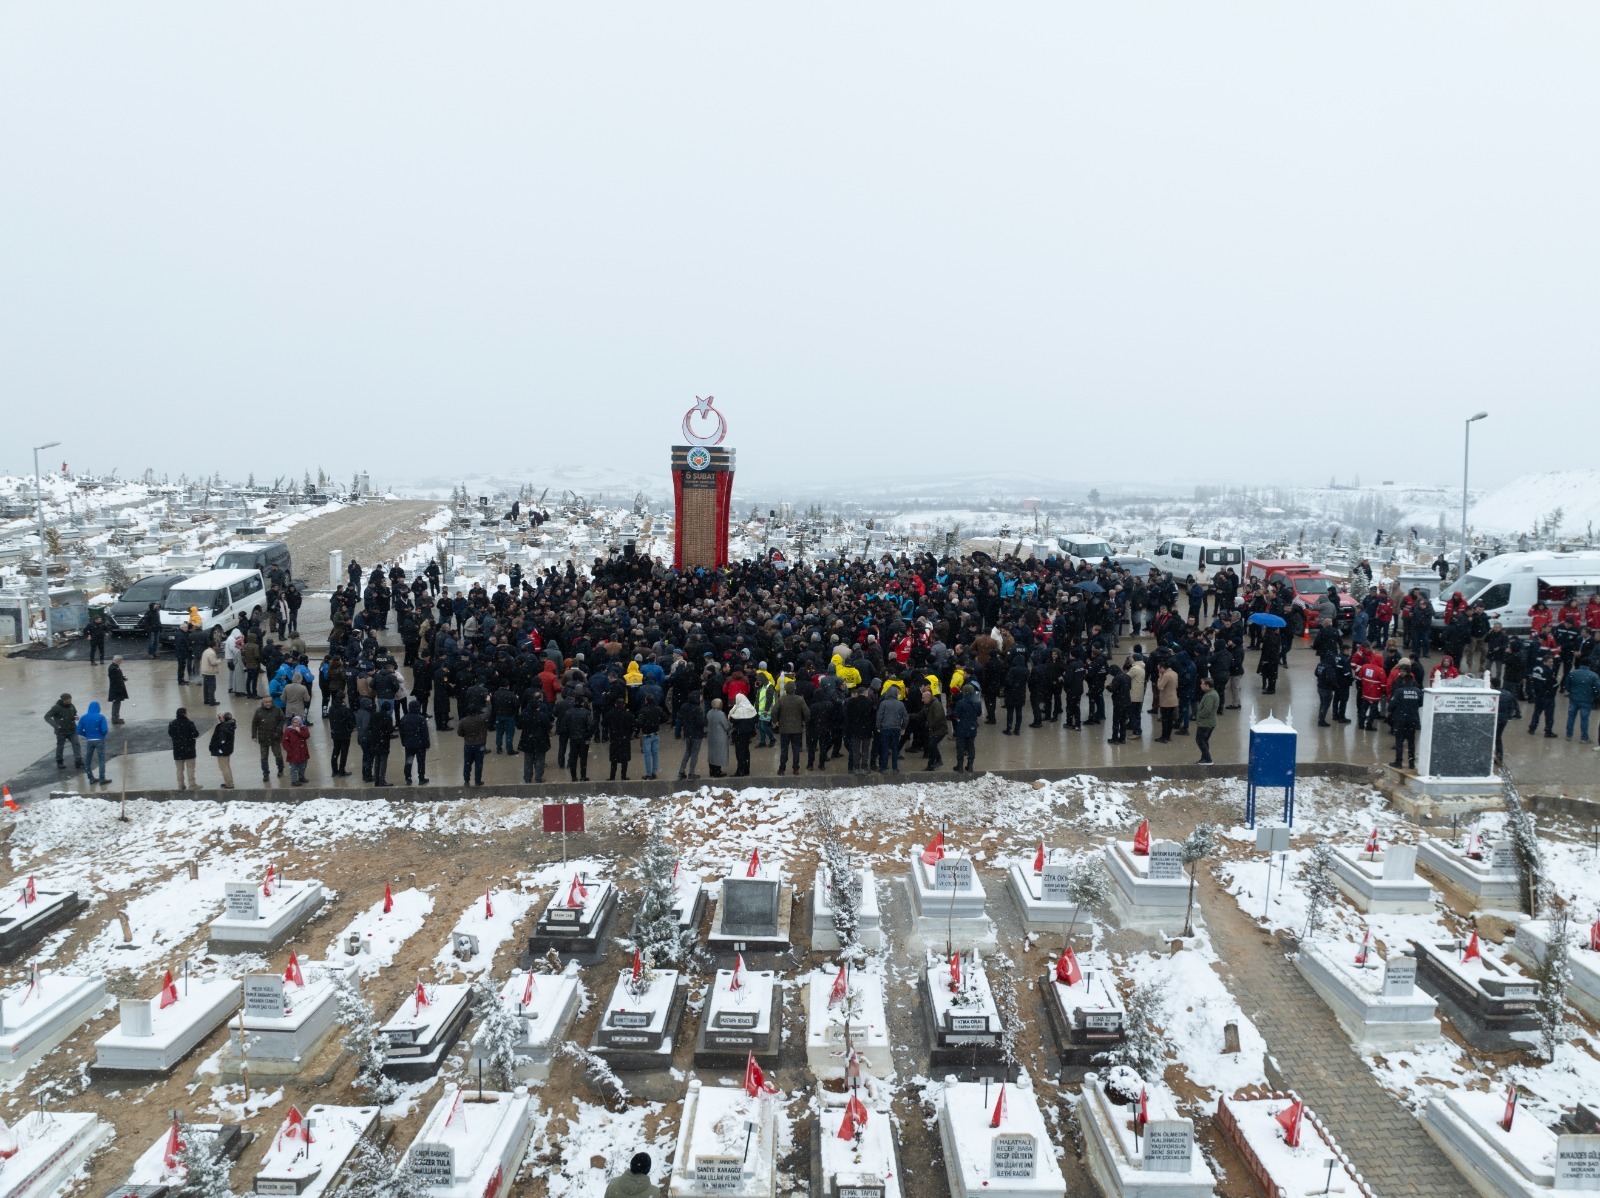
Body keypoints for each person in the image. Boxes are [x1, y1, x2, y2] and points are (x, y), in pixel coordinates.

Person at [1389, 669, 1423, 770]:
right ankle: (1411, 763)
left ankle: (1398, 762)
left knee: (1399, 741)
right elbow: (1421, 703)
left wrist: (1392, 711)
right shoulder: (1417, 691)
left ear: (1404, 681)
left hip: (1400, 719)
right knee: (1411, 742)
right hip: (1412, 719)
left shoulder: (1399, 691)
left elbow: (1391, 705)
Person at [772, 682, 807, 776]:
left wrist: (776, 721)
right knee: (796, 749)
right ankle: (795, 769)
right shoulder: (800, 699)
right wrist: (804, 721)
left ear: (786, 690)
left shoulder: (781, 699)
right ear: (794, 689)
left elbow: (774, 711)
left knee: (784, 749)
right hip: (797, 729)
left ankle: (782, 769)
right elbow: (807, 712)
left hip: (784, 729)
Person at [518, 693, 553, 783]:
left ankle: (527, 777)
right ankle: (538, 777)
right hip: (540, 740)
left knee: (528, 760)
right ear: (537, 707)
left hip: (527, 740)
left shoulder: (524, 715)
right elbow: (548, 727)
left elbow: (519, 726)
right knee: (540, 760)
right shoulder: (542, 716)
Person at [251, 695, 286, 782]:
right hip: (263, 738)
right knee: (264, 757)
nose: (268, 704)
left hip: (275, 737)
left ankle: (280, 768)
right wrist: (254, 735)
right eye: (266, 702)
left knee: (278, 755)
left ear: (272, 702)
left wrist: (278, 730)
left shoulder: (277, 710)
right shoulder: (258, 711)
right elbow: (254, 723)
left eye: (269, 702)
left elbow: (282, 720)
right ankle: (265, 774)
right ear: (263, 702)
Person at [45, 693, 82, 771]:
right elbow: (47, 716)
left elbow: (75, 713)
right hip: (61, 731)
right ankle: (59, 762)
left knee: (76, 744)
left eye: (70, 699)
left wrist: (75, 717)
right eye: (68, 699)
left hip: (72, 729)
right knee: (60, 746)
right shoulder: (56, 707)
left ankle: (78, 761)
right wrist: (55, 725)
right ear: (63, 700)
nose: (70, 701)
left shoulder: (72, 706)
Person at [560, 697, 594, 782]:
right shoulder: (586, 713)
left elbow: (564, 725)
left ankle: (574, 776)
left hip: (573, 738)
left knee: (573, 757)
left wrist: (569, 734)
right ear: (582, 703)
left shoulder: (569, 712)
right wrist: (588, 735)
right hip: (584, 738)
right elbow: (591, 725)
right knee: (583, 758)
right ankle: (583, 776)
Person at [76, 700, 109, 784]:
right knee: (101, 759)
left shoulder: (84, 717)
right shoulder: (101, 717)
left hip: (89, 741)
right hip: (99, 740)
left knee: (88, 760)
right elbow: (105, 730)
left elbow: (78, 730)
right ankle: (102, 779)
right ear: (98, 708)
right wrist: (101, 736)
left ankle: (91, 778)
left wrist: (87, 735)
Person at [875, 685, 906, 772]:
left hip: (885, 728)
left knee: (885, 748)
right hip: (896, 728)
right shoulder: (900, 704)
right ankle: (895, 768)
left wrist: (878, 726)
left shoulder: (883, 703)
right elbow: (906, 717)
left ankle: (884, 768)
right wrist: (903, 727)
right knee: (895, 749)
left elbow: (879, 716)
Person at [1565, 659, 1598, 742]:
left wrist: (1571, 692)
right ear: (1589, 665)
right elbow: (1597, 689)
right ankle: (1584, 737)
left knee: (1571, 717)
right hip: (1586, 700)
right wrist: (1594, 697)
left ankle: (1569, 735)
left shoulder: (1572, 673)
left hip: (1573, 699)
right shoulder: (1594, 675)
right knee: (1584, 719)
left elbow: (1567, 685)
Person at [169, 707, 201, 790]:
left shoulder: (172, 723)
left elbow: (171, 734)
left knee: (179, 769)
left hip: (177, 750)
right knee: (190, 768)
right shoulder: (189, 723)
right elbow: (195, 734)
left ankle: (181, 785)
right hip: (189, 749)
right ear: (184, 714)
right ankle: (192, 785)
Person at [952, 683, 982, 772]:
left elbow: (956, 714)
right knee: (971, 746)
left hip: (961, 728)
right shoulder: (977, 702)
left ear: (964, 692)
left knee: (960, 747)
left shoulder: (961, 702)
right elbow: (979, 713)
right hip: (972, 727)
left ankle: (960, 765)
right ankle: (970, 765)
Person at [399, 699, 431, 783]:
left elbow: (401, 733)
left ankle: (408, 778)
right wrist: (427, 744)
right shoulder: (421, 719)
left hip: (409, 745)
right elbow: (425, 733)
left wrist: (403, 742)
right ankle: (421, 778)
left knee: (409, 761)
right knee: (421, 762)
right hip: (420, 745)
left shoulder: (404, 719)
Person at [604, 701, 635, 782]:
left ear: (615, 704)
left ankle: (612, 776)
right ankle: (623, 776)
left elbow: (603, 723)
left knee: (614, 758)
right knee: (624, 759)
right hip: (625, 740)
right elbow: (633, 726)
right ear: (624, 705)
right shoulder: (628, 715)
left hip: (614, 739)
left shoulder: (610, 714)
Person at [676, 696, 706, 781]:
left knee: (687, 752)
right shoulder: (697, 709)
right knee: (694, 754)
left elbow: (680, 719)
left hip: (687, 734)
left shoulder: (684, 706)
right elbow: (700, 722)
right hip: (696, 735)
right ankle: (691, 773)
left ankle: (681, 772)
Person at [635, 693, 663, 780]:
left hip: (647, 735)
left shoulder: (643, 711)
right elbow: (665, 717)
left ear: (646, 701)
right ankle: (654, 773)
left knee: (647, 755)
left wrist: (641, 726)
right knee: (655, 754)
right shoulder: (658, 709)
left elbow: (639, 723)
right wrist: (657, 722)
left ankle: (648, 774)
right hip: (656, 733)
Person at [728, 693, 757, 776]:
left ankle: (740, 770)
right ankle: (746, 769)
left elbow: (732, 719)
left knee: (739, 752)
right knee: (746, 751)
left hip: (739, 734)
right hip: (748, 734)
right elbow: (755, 718)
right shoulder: (751, 708)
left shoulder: (738, 709)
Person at [922, 684, 948, 770]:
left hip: (940, 729)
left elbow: (938, 717)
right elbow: (919, 715)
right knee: (932, 745)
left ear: (928, 698)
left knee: (932, 745)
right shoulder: (927, 706)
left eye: (924, 698)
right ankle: (931, 765)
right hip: (935, 730)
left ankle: (937, 760)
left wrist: (930, 724)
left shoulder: (936, 704)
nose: (922, 700)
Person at [1194, 678, 1219, 765]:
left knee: (1200, 740)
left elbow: (1207, 710)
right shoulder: (1211, 693)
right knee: (1204, 740)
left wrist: (1199, 714)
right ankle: (1204, 757)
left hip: (1206, 723)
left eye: (1202, 684)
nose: (1201, 685)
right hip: (1208, 722)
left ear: (1207, 685)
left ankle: (1208, 759)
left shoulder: (1210, 696)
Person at [328, 697, 356, 777]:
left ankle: (334, 770)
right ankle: (341, 770)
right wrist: (351, 728)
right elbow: (350, 721)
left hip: (335, 733)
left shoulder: (331, 708)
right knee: (344, 753)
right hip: (344, 734)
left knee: (335, 752)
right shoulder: (345, 709)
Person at [209, 711, 237, 789]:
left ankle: (229, 784)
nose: (219, 717)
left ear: (224, 718)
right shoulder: (230, 725)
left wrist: (217, 746)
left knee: (224, 767)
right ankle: (229, 782)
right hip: (227, 749)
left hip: (223, 750)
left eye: (221, 717)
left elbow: (221, 740)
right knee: (226, 766)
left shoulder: (223, 727)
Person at [283, 716, 312, 786]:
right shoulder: (288, 730)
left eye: (297, 722)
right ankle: (294, 781)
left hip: (302, 751)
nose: (295, 724)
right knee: (293, 767)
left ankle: (301, 777)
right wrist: (289, 750)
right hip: (293, 752)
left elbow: (307, 736)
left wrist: (299, 731)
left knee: (303, 765)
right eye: (294, 722)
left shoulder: (303, 728)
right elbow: (284, 741)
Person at [705, 698, 730, 778]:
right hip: (720, 736)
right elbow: (726, 726)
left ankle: (712, 771)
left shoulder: (709, 712)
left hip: (711, 735)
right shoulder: (721, 714)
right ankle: (717, 771)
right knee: (719, 754)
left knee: (712, 754)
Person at [199, 641, 223, 706]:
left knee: (206, 687)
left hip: (205, 671)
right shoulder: (212, 653)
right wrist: (219, 660)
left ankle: (206, 700)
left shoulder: (206, 651)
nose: (218, 647)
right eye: (217, 646)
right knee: (212, 687)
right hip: (210, 672)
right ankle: (212, 701)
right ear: (214, 646)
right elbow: (213, 662)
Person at [107, 656, 129, 725]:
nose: (121, 663)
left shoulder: (114, 667)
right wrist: (121, 680)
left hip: (116, 688)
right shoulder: (113, 668)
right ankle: (115, 719)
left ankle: (116, 718)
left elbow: (117, 677)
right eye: (121, 661)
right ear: (118, 661)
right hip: (116, 689)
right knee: (116, 704)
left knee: (117, 703)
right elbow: (115, 679)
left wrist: (122, 678)